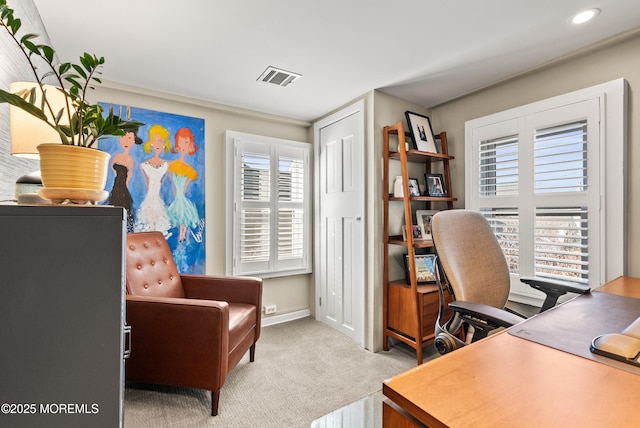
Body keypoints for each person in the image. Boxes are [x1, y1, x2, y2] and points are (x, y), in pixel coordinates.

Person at [135, 124, 172, 237]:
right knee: (148, 226)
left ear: (164, 144)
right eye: (155, 141)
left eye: (160, 141)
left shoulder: (167, 165)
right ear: (151, 143)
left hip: (158, 200)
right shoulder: (144, 165)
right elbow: (147, 184)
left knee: (158, 227)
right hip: (149, 199)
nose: (157, 144)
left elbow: (163, 181)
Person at [167, 127, 200, 242]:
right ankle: (180, 235)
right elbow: (172, 182)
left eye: (186, 142)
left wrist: (180, 193)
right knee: (178, 214)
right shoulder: (173, 165)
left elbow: (185, 186)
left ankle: (183, 234)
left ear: (190, 145)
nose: (183, 145)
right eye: (181, 142)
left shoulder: (189, 170)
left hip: (181, 195)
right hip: (177, 195)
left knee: (184, 215)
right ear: (177, 144)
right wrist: (176, 193)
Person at [107, 127, 142, 232]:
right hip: (115, 188)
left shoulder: (130, 160)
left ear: (133, 140)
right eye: (123, 137)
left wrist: (125, 190)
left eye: (129, 138)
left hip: (123, 190)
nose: (126, 141)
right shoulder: (116, 157)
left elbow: (128, 178)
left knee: (125, 213)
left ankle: (125, 233)